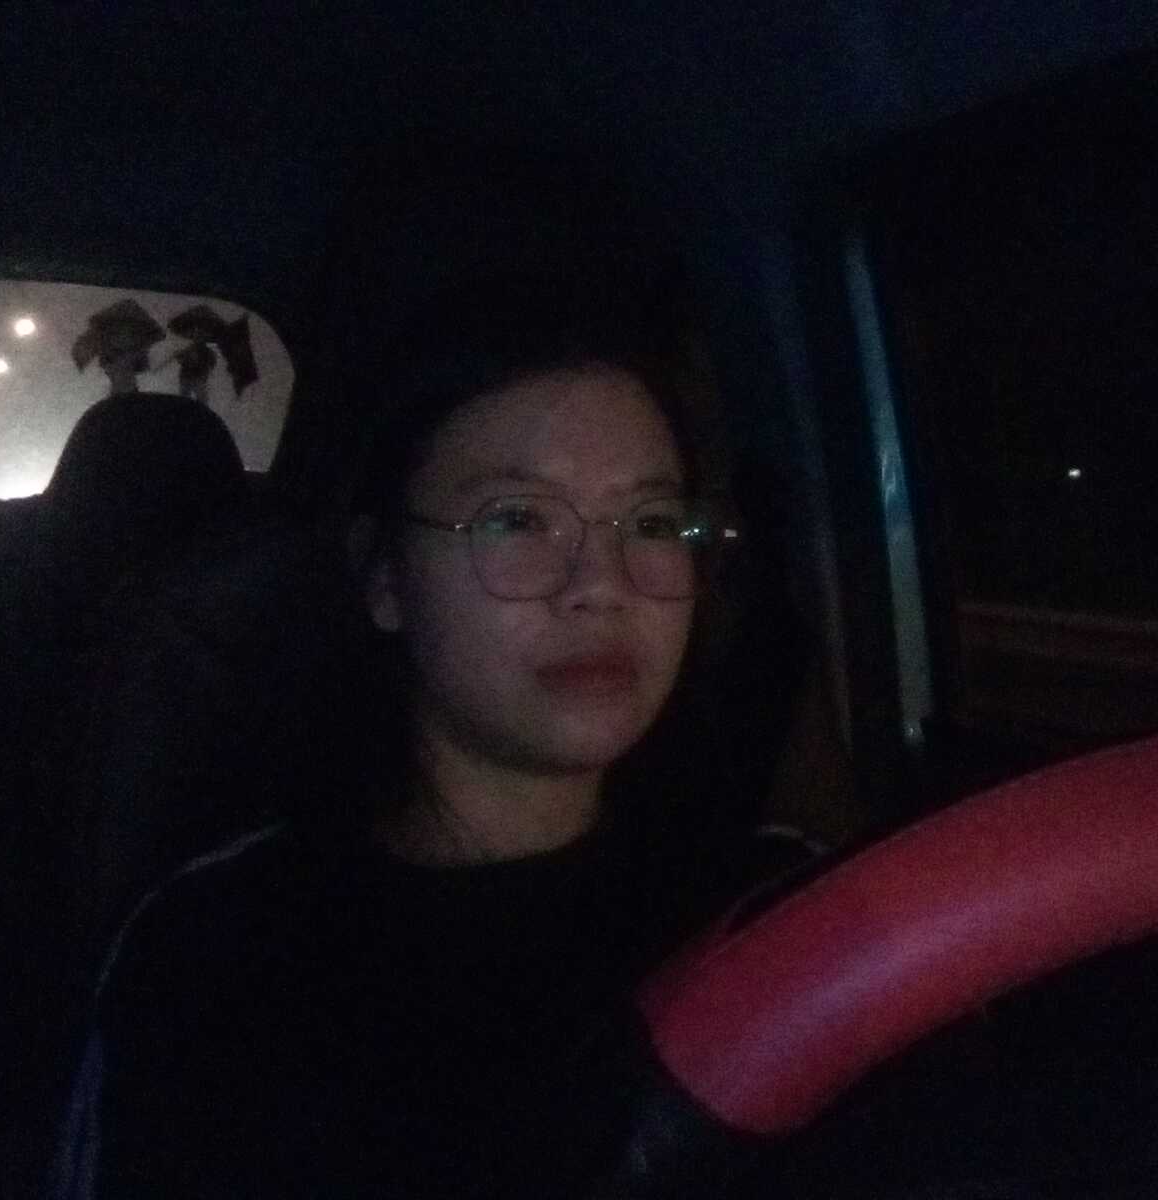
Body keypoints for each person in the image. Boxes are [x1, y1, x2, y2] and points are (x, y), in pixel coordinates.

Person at [50, 279, 817, 1199]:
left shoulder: (779, 909)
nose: (602, 585)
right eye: (516, 519)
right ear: (385, 577)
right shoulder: (217, 954)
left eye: (651, 523)